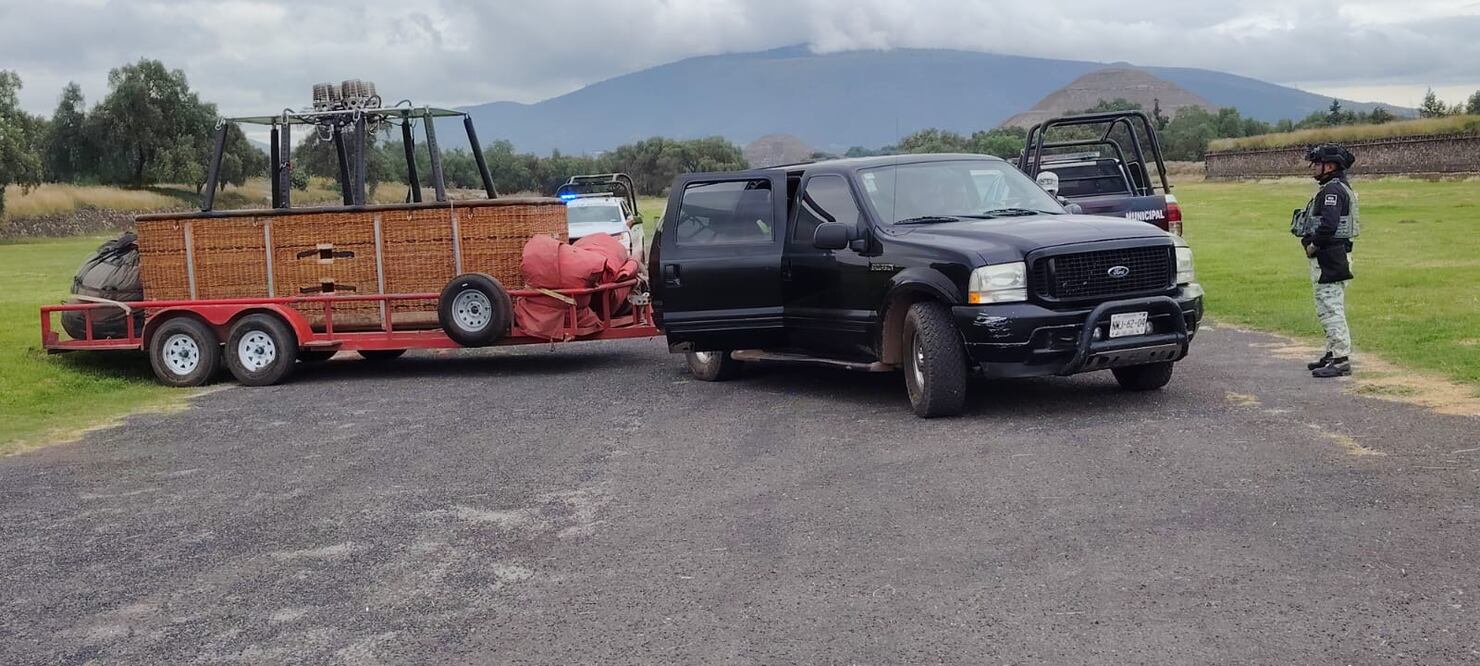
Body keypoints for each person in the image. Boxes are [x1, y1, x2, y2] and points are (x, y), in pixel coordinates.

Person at [1297, 144, 1359, 378]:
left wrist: (1313, 245)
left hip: (1330, 257)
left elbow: (1328, 226)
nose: (1313, 167)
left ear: (1330, 166)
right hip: (1334, 255)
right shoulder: (1337, 187)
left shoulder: (1332, 191)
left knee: (1330, 308)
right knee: (1327, 305)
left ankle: (1341, 359)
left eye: (1317, 163)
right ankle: (1333, 352)